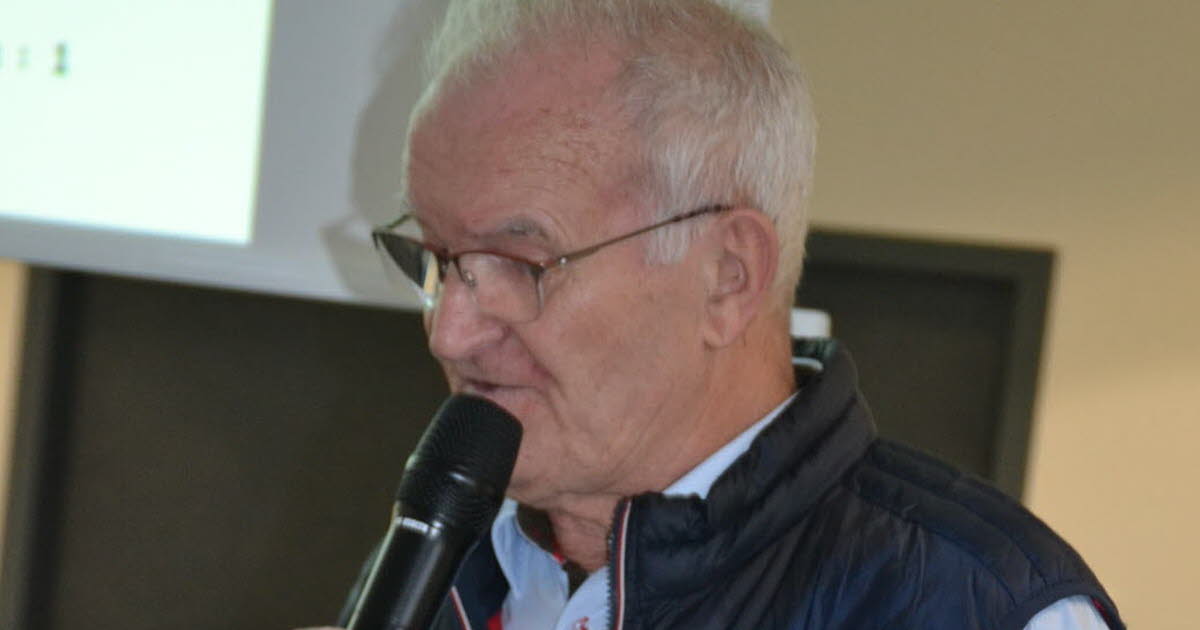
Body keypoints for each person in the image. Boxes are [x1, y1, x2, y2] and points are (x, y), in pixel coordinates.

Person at [338, 1, 1124, 628]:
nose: (449, 333)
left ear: (728, 278)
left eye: (519, 265)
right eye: (435, 260)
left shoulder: (980, 608)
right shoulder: (437, 567)